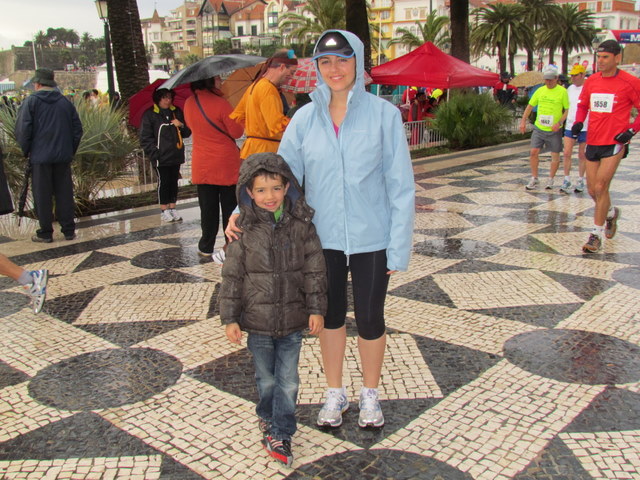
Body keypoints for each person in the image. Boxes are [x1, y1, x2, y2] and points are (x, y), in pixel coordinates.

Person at [227, 30, 414, 429]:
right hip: (320, 240)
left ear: (357, 62)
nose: (334, 69)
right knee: (329, 316)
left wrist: (398, 246)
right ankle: (335, 391)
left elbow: (400, 185)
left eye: (343, 60)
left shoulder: (384, 116)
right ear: (317, 68)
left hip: (372, 238)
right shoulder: (304, 118)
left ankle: (370, 393)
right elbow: (280, 175)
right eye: (325, 62)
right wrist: (243, 209)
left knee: (370, 317)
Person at [219, 152, 326, 467]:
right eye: (262, 190)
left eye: (277, 188)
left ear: (287, 187)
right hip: (258, 323)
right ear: (249, 192)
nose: (270, 196)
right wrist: (230, 318)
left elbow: (315, 271)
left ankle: (281, 432)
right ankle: (266, 415)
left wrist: (316, 309)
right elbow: (232, 277)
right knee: (266, 380)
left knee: (288, 381)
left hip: (292, 321)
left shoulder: (302, 226)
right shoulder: (243, 229)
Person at [571, 40, 640, 253]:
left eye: (605, 57)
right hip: (593, 141)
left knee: (601, 187)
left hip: (615, 142)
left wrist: (631, 130)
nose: (600, 61)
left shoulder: (630, 82)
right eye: (598, 57)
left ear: (617, 58)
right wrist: (579, 122)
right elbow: (583, 105)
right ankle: (610, 213)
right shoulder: (592, 81)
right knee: (592, 190)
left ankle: (595, 235)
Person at [15, 68, 83, 243]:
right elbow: (77, 130)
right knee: (65, 193)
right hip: (62, 156)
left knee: (42, 195)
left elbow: (23, 130)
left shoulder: (31, 102)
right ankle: (68, 230)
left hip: (40, 157)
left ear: (37, 84)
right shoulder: (65, 103)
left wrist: (26, 151)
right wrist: (69, 150)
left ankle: (45, 232)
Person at [183, 76, 244, 262]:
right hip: (225, 163)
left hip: (202, 163)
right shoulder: (221, 103)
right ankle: (231, 244)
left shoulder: (189, 103)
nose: (220, 81)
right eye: (217, 78)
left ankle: (206, 245)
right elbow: (237, 132)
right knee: (229, 208)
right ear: (209, 81)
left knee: (207, 208)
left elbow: (191, 126)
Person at [230, 50, 298, 160]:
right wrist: (300, 122)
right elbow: (277, 124)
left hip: (251, 149)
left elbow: (240, 116)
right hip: (266, 153)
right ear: (282, 67)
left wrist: (257, 127)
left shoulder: (255, 86)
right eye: (291, 72)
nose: (291, 76)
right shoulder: (268, 89)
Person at [140, 87, 191, 223]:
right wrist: (155, 153)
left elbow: (187, 133)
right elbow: (145, 137)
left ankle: (173, 207)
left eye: (169, 97)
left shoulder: (176, 112)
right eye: (164, 98)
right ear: (158, 99)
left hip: (175, 154)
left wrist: (181, 125)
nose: (168, 100)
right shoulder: (150, 114)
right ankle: (164, 209)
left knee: (173, 181)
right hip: (160, 157)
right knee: (164, 182)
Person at [519, 65, 569, 190]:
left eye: (551, 79)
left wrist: (560, 123)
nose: (548, 82)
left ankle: (551, 179)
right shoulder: (540, 91)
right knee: (533, 152)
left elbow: (567, 110)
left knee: (555, 155)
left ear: (556, 78)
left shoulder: (562, 91)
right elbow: (530, 106)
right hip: (539, 127)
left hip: (554, 129)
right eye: (546, 79)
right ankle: (534, 178)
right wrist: (523, 120)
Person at [560, 64, 589, 194]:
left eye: (575, 75)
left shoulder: (588, 87)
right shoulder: (570, 89)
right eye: (571, 75)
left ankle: (581, 179)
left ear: (582, 75)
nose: (573, 78)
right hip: (570, 125)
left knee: (582, 154)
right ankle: (566, 179)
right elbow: (566, 106)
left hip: (585, 126)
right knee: (567, 153)